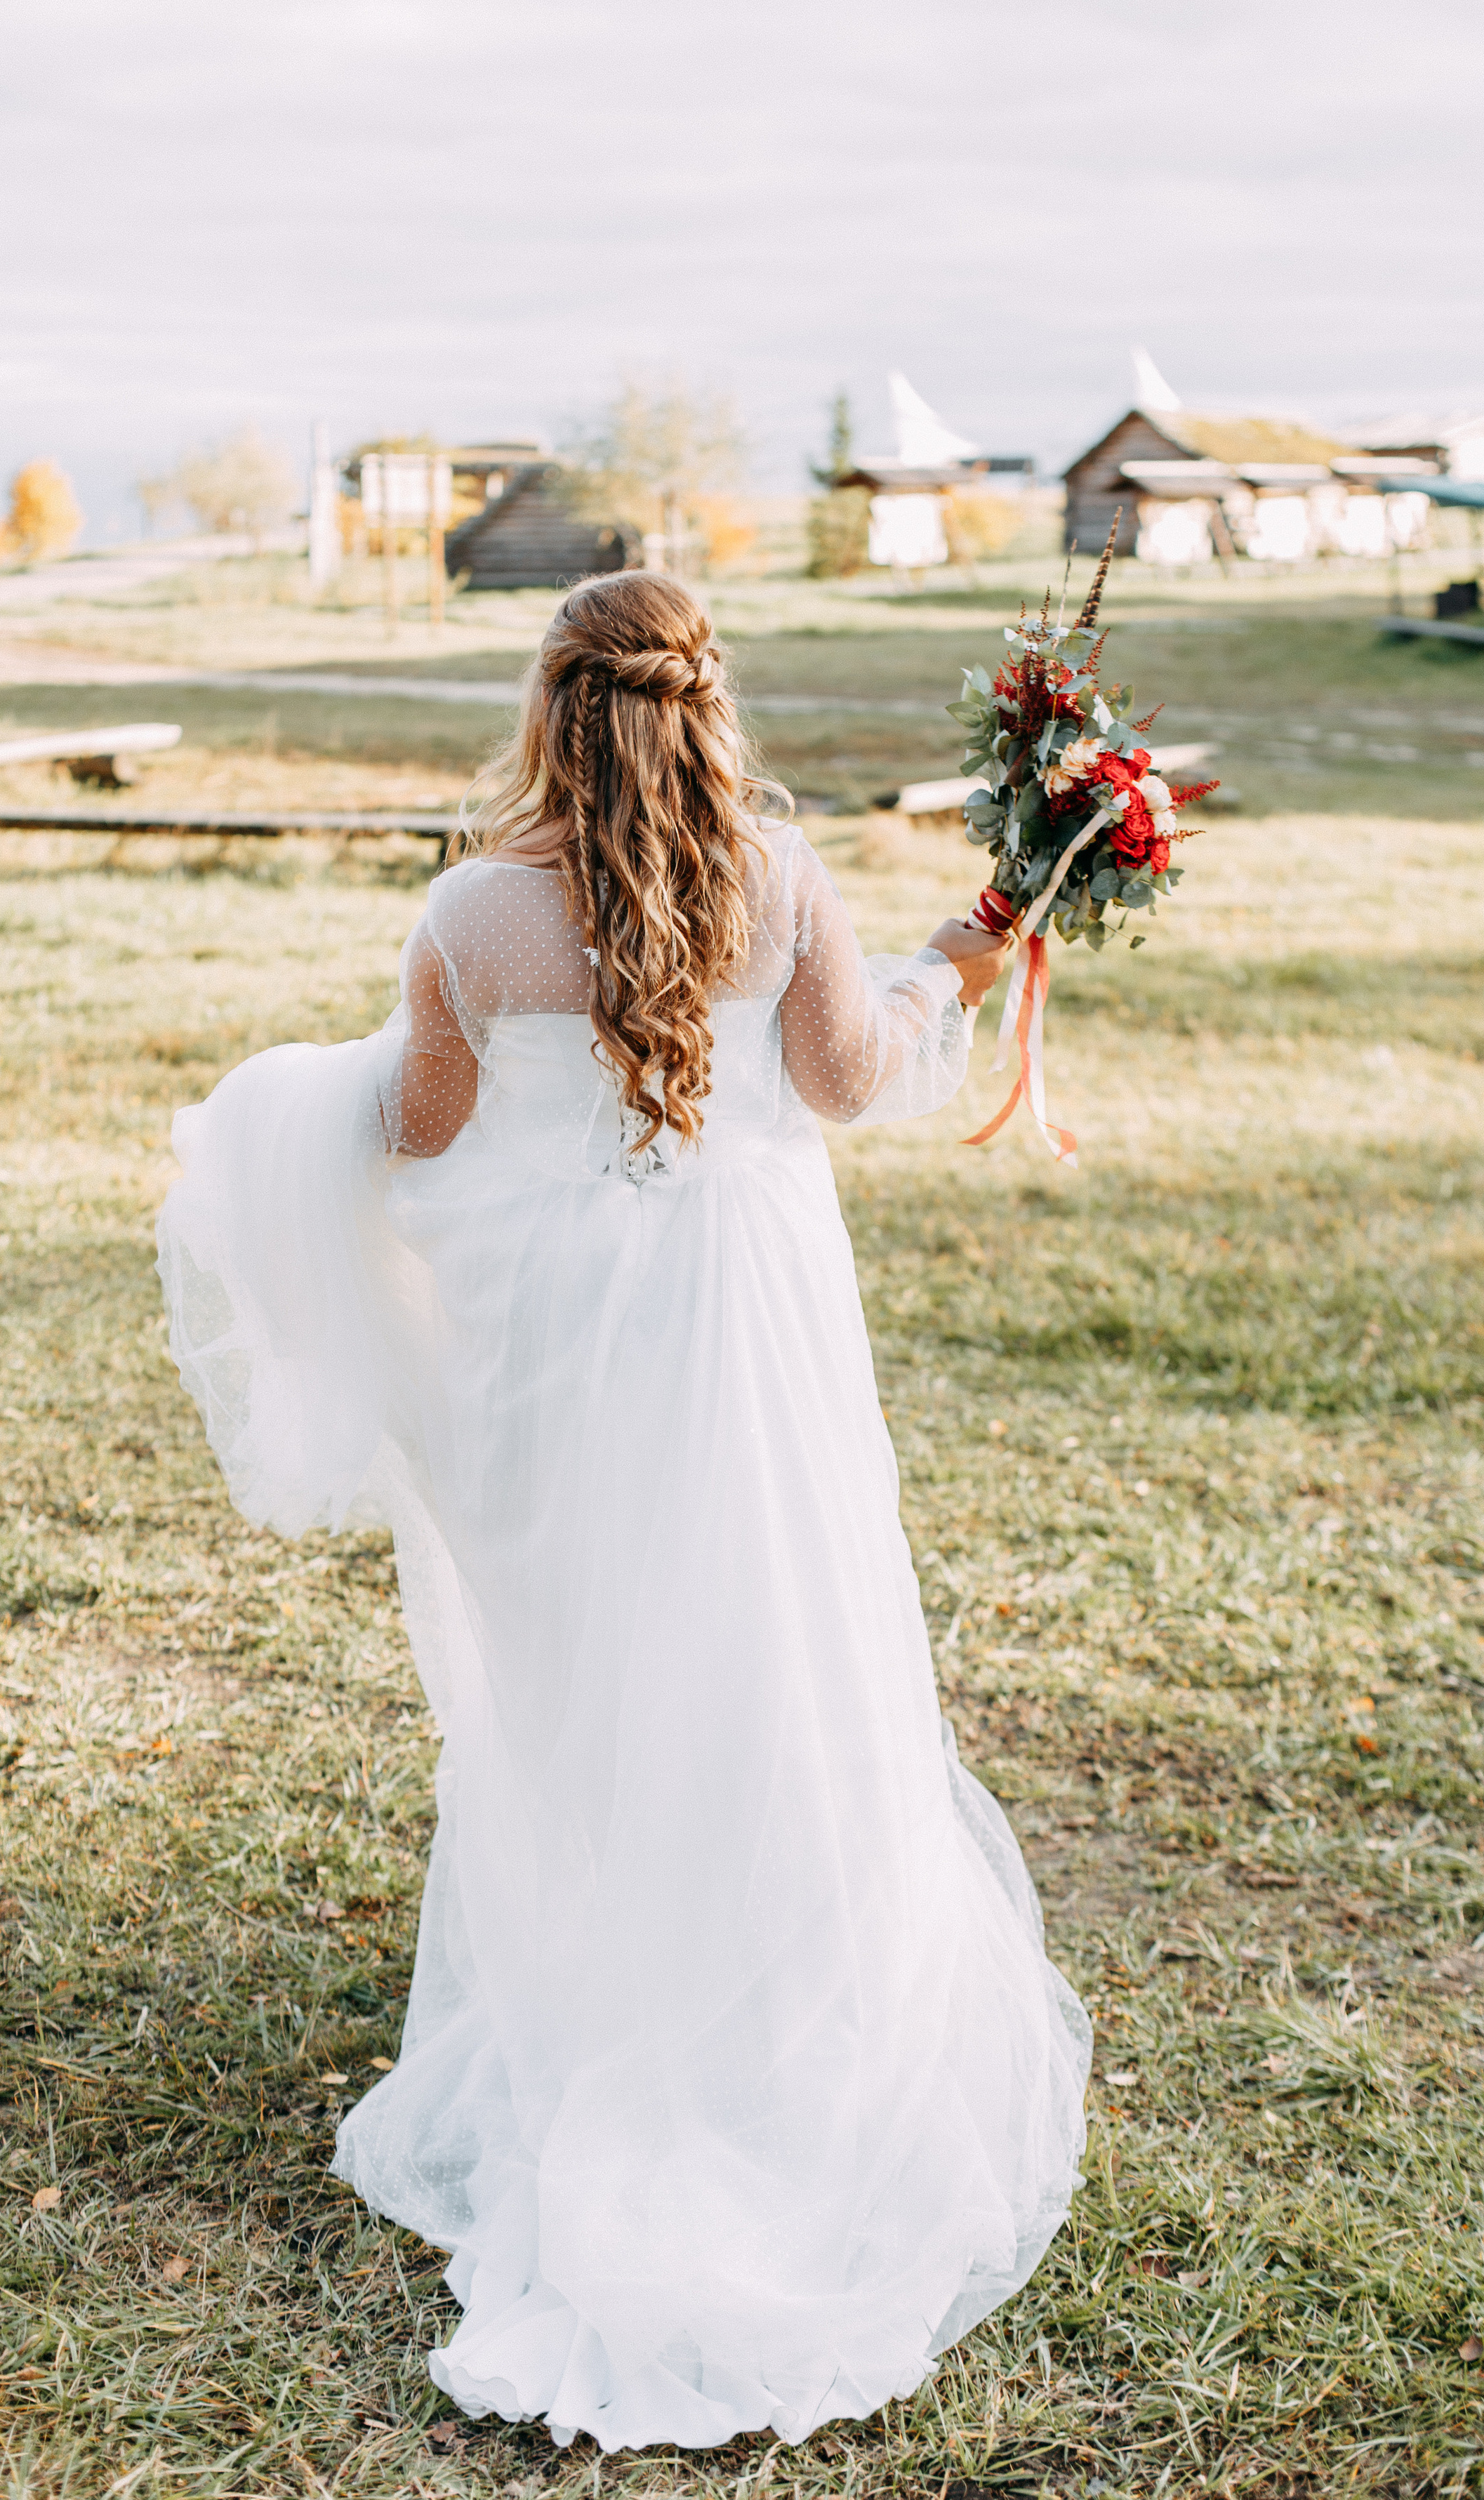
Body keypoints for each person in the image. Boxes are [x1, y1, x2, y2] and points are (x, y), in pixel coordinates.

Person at [157, 573, 1090, 2456]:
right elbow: (846, 1082)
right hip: (745, 1345)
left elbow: (417, 1135)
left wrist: (286, 1126)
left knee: (589, 1677)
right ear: (704, 704)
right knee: (771, 1648)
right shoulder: (783, 875)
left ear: (550, 709)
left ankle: (614, 2002)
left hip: (559, 1363)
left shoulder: (472, 914)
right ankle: (776, 2014)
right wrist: (945, 966)